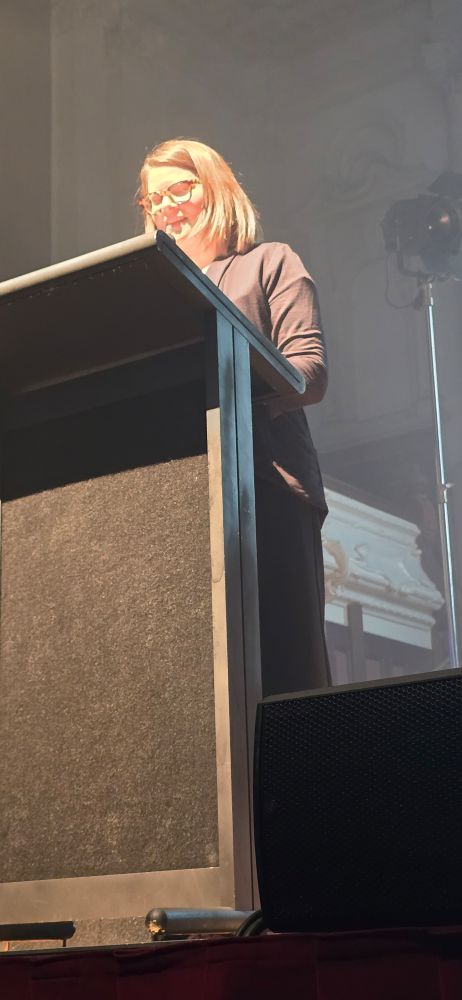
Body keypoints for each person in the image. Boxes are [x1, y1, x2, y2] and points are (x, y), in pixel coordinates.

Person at [138, 138, 331, 696]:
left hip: (266, 491)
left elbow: (309, 372)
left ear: (215, 188)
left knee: (282, 674)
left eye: (181, 188)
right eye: (155, 199)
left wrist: (232, 393)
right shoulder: (152, 297)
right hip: (176, 500)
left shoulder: (268, 263)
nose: (168, 206)